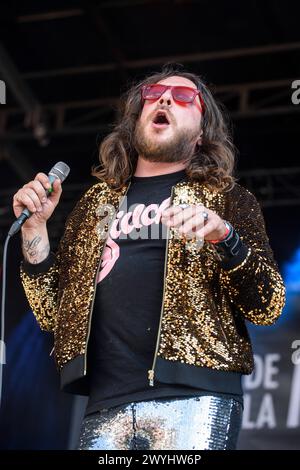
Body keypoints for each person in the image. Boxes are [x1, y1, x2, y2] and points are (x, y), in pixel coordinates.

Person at [14, 65, 285, 450]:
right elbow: (51, 313)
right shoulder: (95, 204)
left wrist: (225, 237)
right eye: (154, 94)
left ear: (202, 133)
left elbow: (268, 305)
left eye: (183, 97)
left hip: (194, 396)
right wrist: (34, 229)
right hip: (105, 405)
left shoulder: (229, 199)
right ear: (136, 119)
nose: (164, 98)